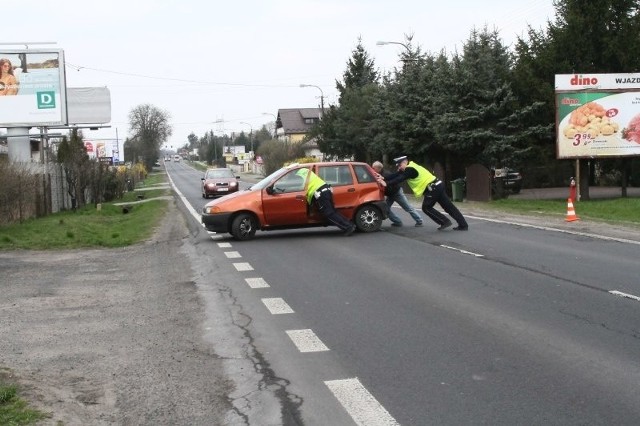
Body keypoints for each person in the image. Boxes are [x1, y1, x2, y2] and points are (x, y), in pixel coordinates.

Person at [379, 156, 468, 231]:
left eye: (399, 165)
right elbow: (395, 175)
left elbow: (400, 179)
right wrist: (383, 178)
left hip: (433, 188)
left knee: (426, 207)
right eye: (397, 166)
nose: (399, 168)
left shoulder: (410, 169)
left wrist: (386, 183)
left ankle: (445, 221)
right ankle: (463, 225)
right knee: (449, 207)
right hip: (437, 186)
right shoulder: (410, 166)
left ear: (405, 162)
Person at [296, 167, 356, 236]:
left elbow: (303, 189)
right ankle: (350, 225)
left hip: (321, 194)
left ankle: (348, 227)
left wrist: (309, 203)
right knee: (333, 212)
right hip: (326, 190)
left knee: (329, 214)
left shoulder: (302, 177)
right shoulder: (308, 172)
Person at [372, 160, 423, 227]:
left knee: (407, 207)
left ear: (379, 168)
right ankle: (397, 222)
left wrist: (384, 184)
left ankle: (419, 220)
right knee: (386, 209)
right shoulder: (378, 175)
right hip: (390, 194)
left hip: (396, 193)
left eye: (373, 168)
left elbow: (393, 183)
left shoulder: (386, 174)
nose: (372, 169)